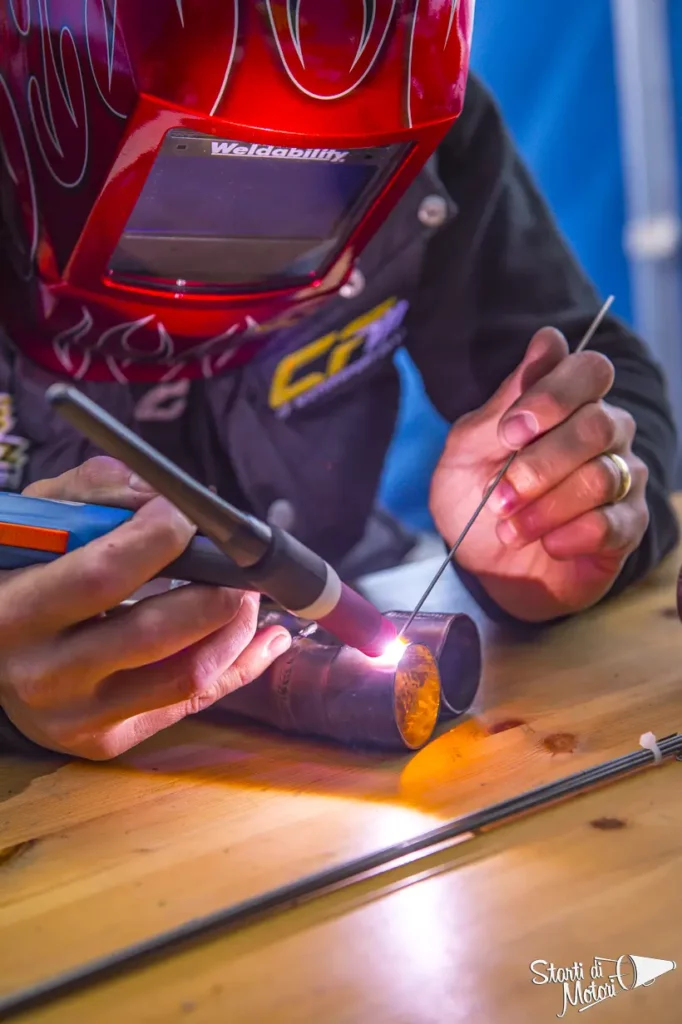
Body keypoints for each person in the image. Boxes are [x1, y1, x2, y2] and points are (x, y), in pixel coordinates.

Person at [0, 2, 677, 760]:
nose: (250, 235)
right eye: (203, 183)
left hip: (345, 630)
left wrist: (564, 515)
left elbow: (611, 380)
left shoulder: (406, 103)